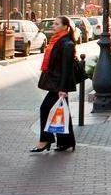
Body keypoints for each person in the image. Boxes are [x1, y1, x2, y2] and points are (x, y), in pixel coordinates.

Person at [30, 16, 77, 153]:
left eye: (56, 24)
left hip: (59, 85)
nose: (53, 26)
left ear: (65, 26)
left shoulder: (67, 44)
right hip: (56, 83)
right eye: (53, 24)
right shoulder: (57, 40)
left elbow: (66, 69)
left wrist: (63, 89)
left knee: (45, 108)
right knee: (62, 111)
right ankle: (66, 141)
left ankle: (45, 140)